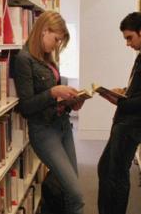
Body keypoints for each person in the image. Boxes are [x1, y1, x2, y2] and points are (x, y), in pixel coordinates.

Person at [11, 11, 84, 214]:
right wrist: (53, 92)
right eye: (56, 39)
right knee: (76, 194)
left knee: (70, 190)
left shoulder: (48, 59)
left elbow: (55, 100)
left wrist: (71, 103)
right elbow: (26, 106)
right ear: (44, 31)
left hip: (62, 125)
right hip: (44, 132)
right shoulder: (24, 60)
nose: (56, 45)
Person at [97, 12, 141, 214]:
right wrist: (124, 93)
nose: (128, 43)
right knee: (105, 168)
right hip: (126, 122)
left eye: (130, 37)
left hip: (132, 125)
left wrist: (120, 101)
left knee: (117, 175)